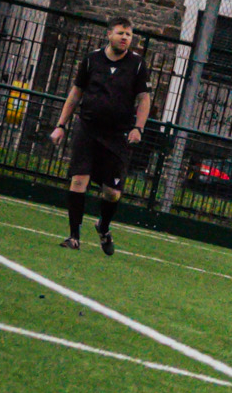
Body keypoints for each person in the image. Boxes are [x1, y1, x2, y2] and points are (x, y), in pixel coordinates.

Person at [47, 20, 153, 254]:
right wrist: (61, 125)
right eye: (120, 33)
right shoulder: (91, 60)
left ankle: (103, 227)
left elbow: (144, 99)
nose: (125, 37)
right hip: (88, 128)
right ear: (109, 35)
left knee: (112, 193)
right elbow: (76, 92)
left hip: (117, 135)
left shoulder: (136, 65)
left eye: (128, 34)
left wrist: (138, 128)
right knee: (78, 180)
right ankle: (74, 237)